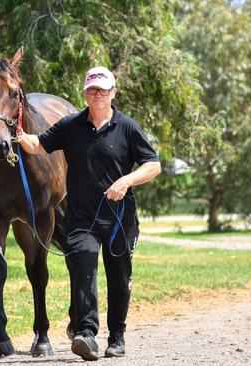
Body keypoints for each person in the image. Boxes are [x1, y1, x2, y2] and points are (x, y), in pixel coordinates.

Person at [16, 66, 161, 361]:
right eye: (93, 90)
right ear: (85, 93)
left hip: (119, 217)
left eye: (103, 90)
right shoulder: (71, 126)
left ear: (113, 93)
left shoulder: (127, 127)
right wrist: (16, 133)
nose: (98, 95)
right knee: (83, 271)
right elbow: (37, 144)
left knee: (119, 277)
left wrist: (126, 180)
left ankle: (117, 337)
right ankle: (86, 334)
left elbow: (153, 165)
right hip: (81, 219)